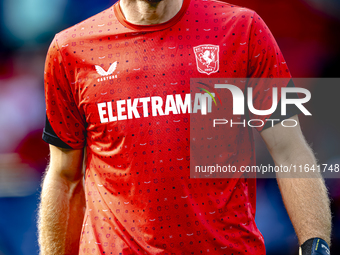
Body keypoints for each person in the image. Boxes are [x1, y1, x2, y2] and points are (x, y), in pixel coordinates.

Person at [38, 0, 332, 254]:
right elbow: (64, 176)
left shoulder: (242, 29)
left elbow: (290, 151)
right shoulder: (70, 50)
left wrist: (315, 244)